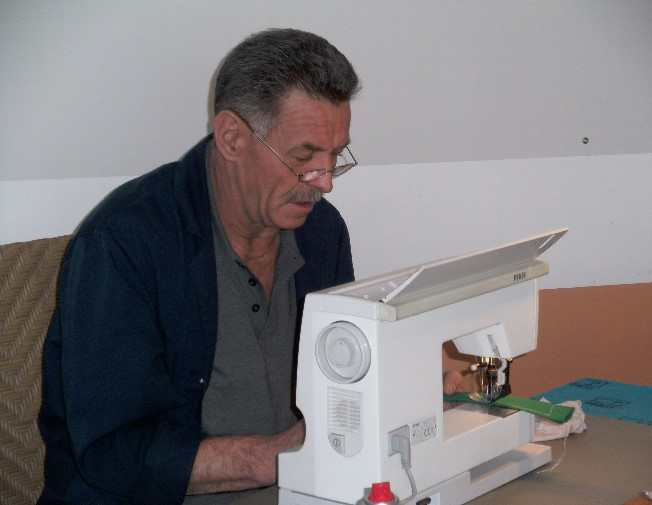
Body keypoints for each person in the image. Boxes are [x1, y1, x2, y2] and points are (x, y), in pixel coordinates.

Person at [38, 28, 462, 505]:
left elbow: (339, 380)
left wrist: (402, 385)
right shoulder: (125, 243)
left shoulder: (322, 232)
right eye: (303, 156)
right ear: (232, 138)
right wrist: (279, 456)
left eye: (335, 155)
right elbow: (111, 454)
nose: (324, 181)